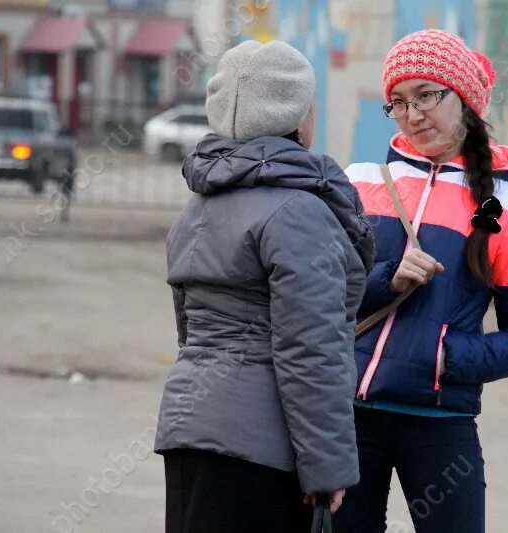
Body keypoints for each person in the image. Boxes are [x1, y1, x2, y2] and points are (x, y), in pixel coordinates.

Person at [153, 39, 376, 533]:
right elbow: (310, 347)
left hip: (189, 430)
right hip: (261, 447)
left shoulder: (198, 208)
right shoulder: (300, 212)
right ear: (298, 118)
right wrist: (327, 467)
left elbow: (189, 330)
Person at [334, 29, 508, 533]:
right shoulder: (358, 182)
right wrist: (384, 281)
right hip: (346, 417)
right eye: (398, 102)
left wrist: (449, 358)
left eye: (427, 95)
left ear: (465, 99)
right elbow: (322, 291)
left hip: (440, 423)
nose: (413, 115)